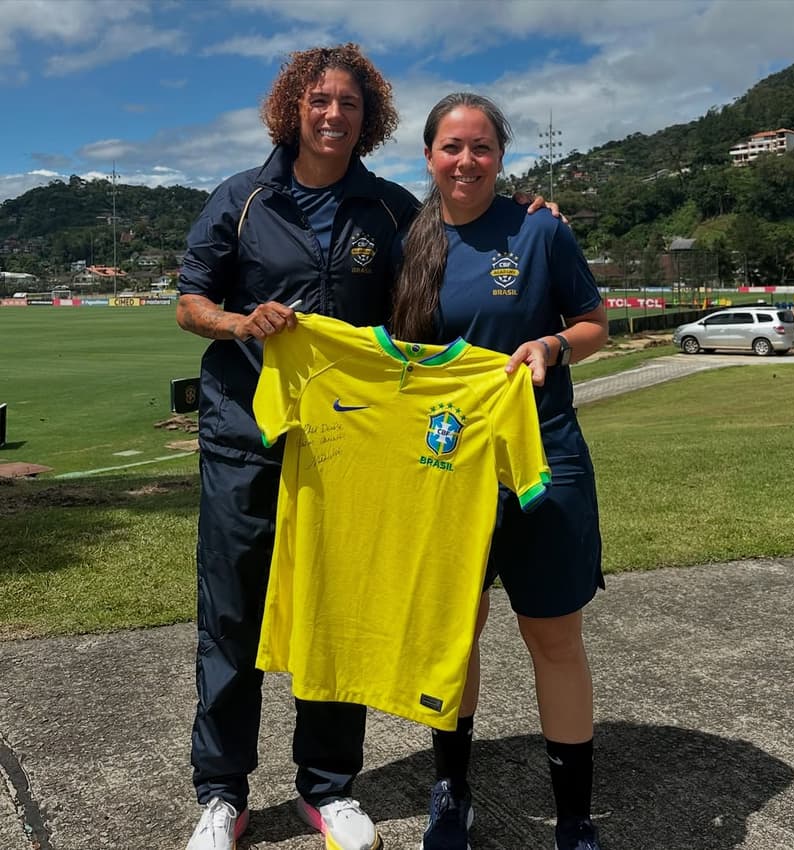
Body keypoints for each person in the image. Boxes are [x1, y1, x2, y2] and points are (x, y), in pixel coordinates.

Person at [177, 46, 555, 850]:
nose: (333, 114)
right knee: (232, 613)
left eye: (349, 103)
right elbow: (189, 301)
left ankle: (328, 787)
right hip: (247, 435)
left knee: (338, 606)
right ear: (293, 108)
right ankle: (222, 794)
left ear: (368, 117)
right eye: (319, 100)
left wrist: (528, 214)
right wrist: (241, 322)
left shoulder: (387, 210)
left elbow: (462, 221)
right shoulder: (240, 200)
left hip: (349, 450)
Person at [391, 93, 608, 850]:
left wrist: (552, 347)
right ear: (429, 156)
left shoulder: (539, 229)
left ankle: (575, 818)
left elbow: (593, 323)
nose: (466, 160)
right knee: (457, 634)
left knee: (554, 637)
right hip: (449, 469)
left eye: (481, 147)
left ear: (500, 155)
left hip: (542, 459)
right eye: (452, 146)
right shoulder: (409, 243)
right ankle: (452, 794)